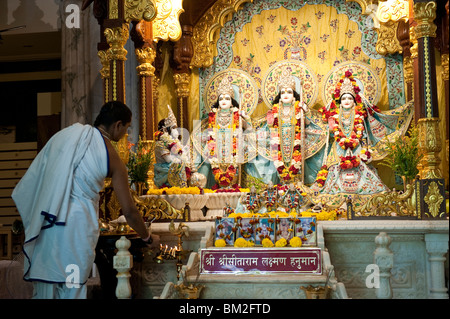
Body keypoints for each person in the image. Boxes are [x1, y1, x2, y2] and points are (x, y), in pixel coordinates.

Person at [12, 101, 151, 299]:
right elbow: (129, 212)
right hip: (77, 228)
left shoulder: (66, 136)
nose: (124, 135)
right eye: (126, 128)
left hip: (51, 223)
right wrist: (147, 237)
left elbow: (40, 174)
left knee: (47, 284)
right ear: (117, 125)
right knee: (72, 283)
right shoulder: (113, 157)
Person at [316, 71, 389, 195]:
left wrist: (365, 149)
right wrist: (331, 127)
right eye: (343, 98)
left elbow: (363, 133)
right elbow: (331, 133)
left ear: (355, 101)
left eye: (350, 98)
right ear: (339, 100)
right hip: (338, 147)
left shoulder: (359, 114)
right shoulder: (334, 115)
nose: (346, 101)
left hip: (357, 145)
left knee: (361, 167)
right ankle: (335, 192)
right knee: (335, 167)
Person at [254, 69, 326, 185]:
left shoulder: (298, 107)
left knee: (297, 165)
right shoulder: (275, 110)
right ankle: (282, 186)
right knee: (279, 165)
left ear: (294, 94)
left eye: (289, 92)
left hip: (296, 143)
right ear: (279, 95)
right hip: (279, 144)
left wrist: (306, 111)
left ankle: (298, 186)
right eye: (283, 92)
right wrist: (270, 122)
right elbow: (270, 128)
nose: (286, 95)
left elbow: (307, 124)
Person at [204, 76, 251, 189]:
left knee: (236, 159)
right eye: (221, 99)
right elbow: (208, 132)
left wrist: (246, 118)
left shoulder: (237, 115)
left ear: (232, 102)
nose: (223, 101)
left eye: (227, 99)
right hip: (217, 146)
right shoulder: (213, 115)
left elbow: (249, 130)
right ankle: (218, 183)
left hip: (233, 147)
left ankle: (233, 184)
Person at [153, 105, 191, 188]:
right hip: (165, 171)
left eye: (176, 128)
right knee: (179, 165)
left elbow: (180, 157)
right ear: (165, 130)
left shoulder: (175, 143)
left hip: (172, 169)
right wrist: (180, 156)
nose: (176, 130)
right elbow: (169, 160)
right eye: (173, 128)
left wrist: (185, 152)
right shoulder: (160, 144)